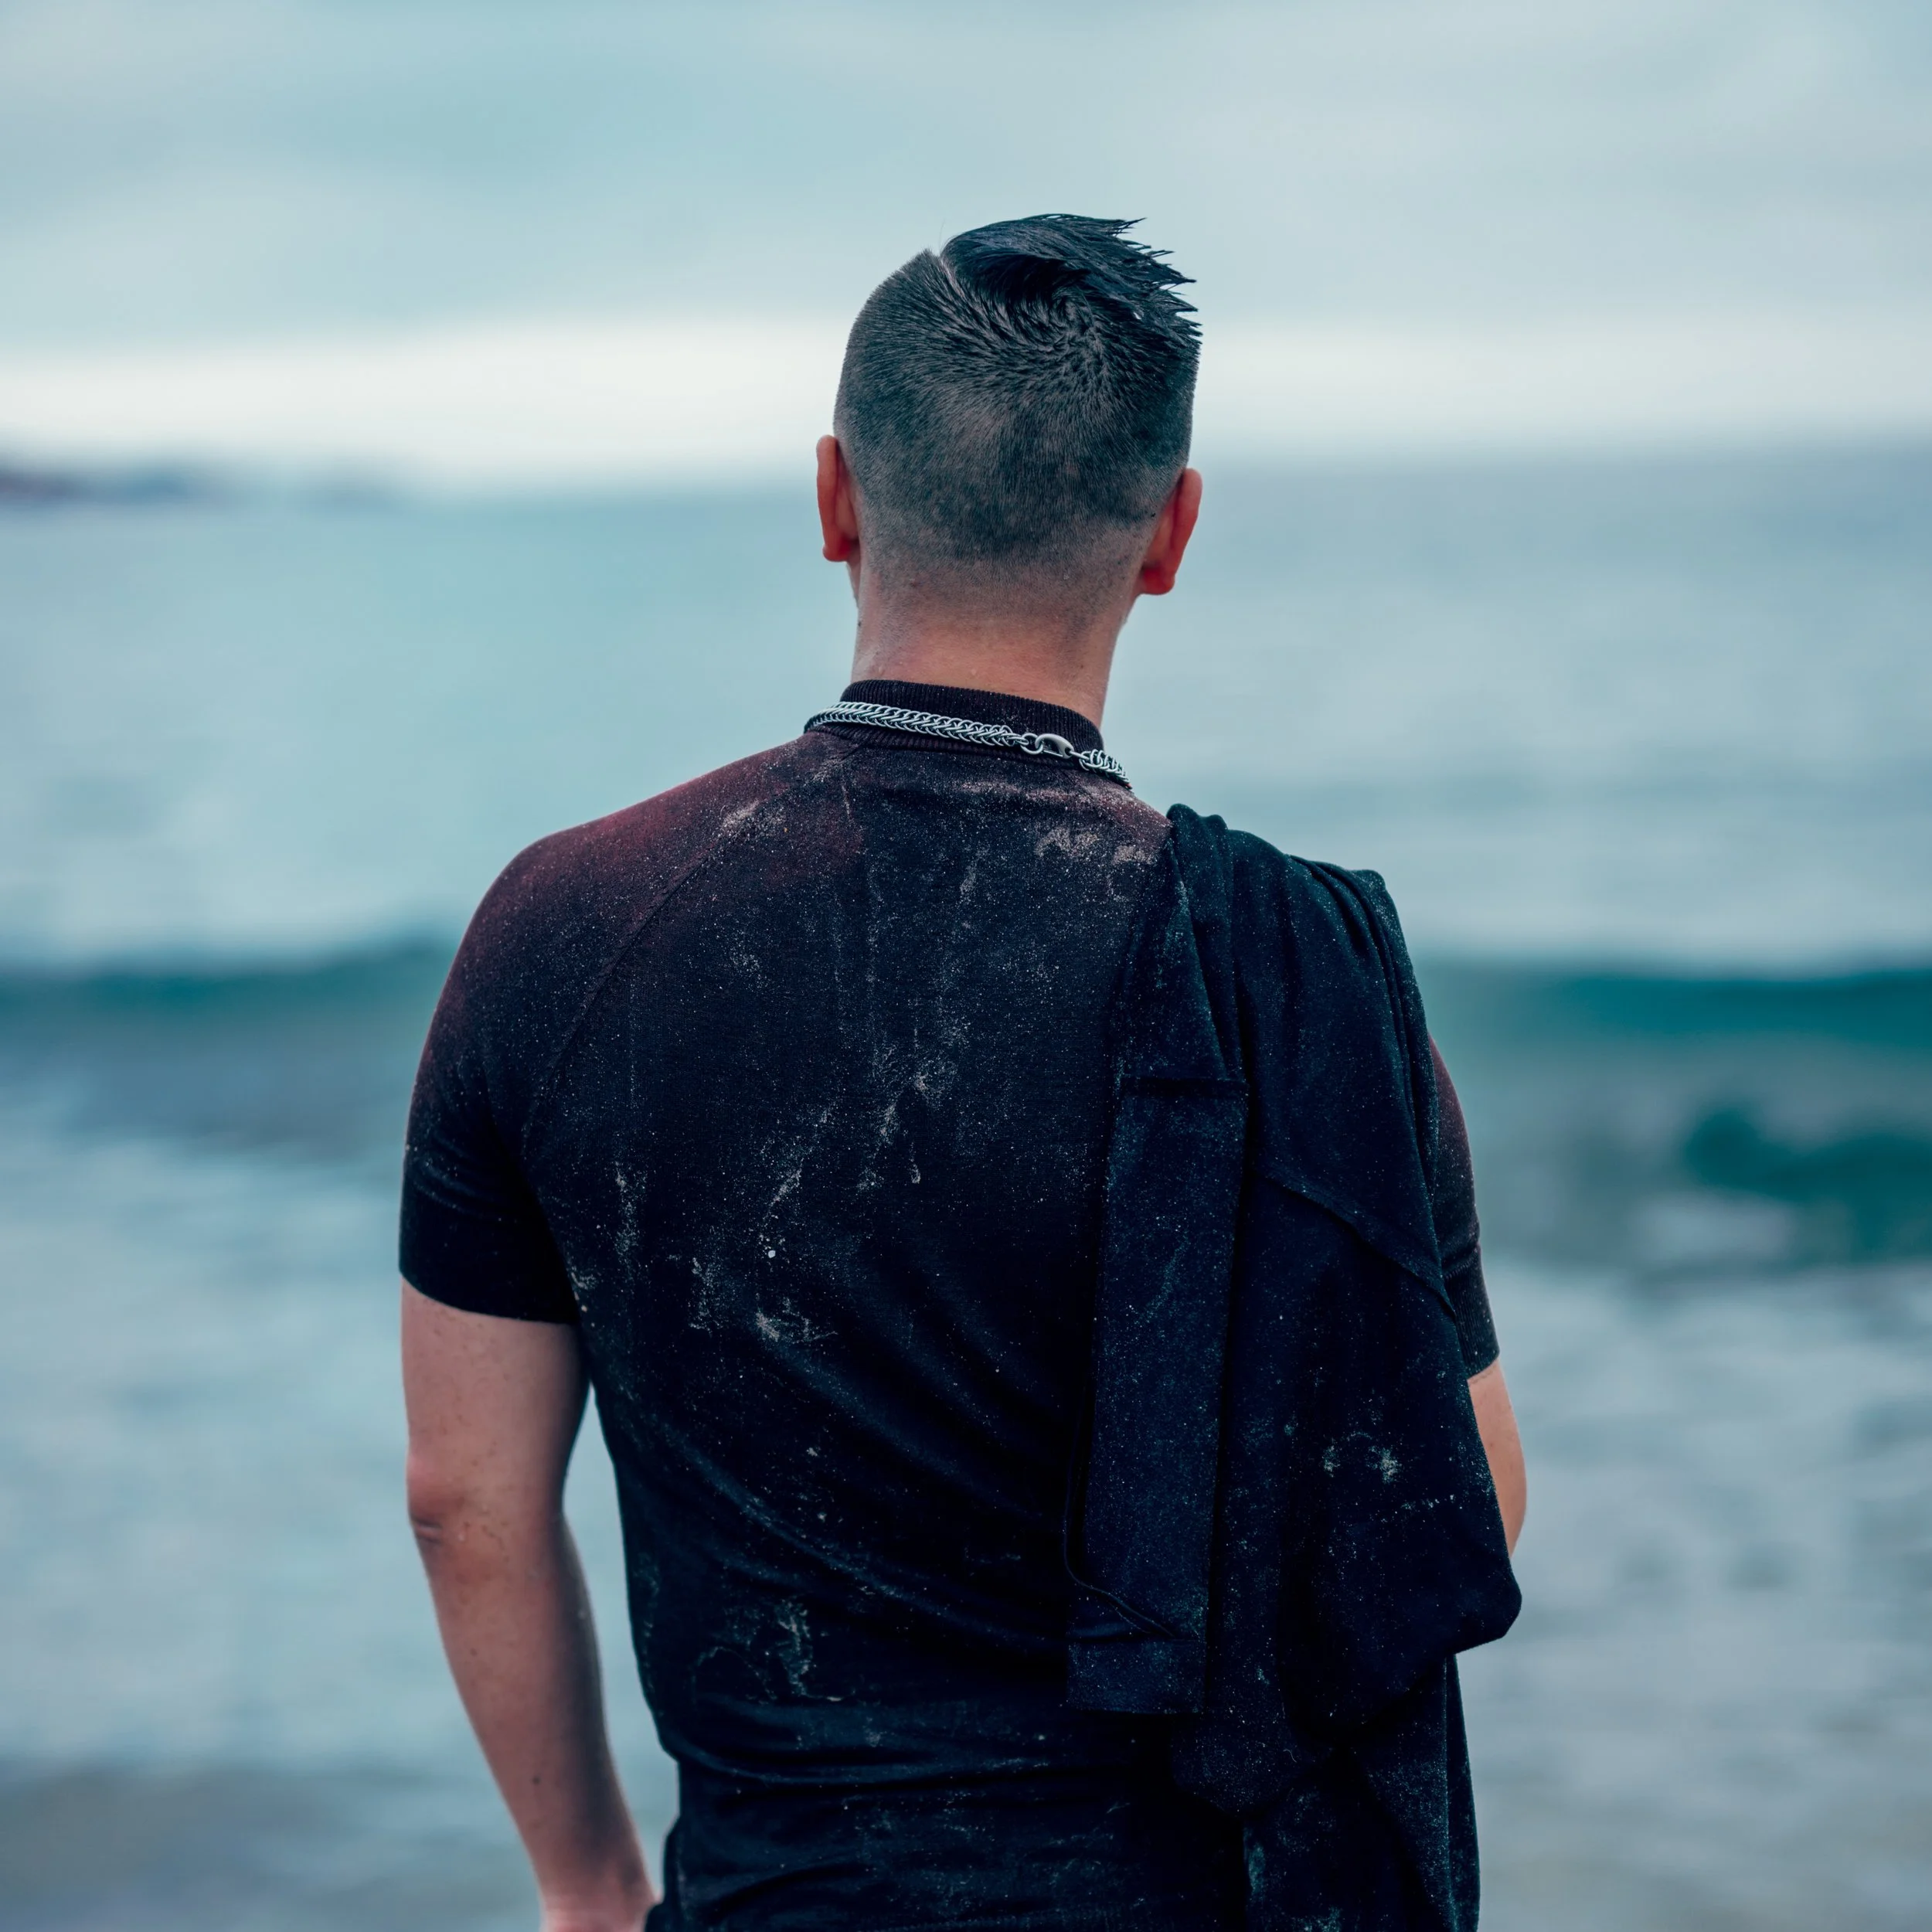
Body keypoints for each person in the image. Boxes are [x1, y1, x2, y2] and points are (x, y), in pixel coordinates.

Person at [400, 215, 1526, 1932]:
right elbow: (1457, 1500)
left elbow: (464, 1496)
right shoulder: (1294, 981)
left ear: (835, 497)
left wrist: (585, 1883)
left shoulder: (562, 928)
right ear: (1169, 534)